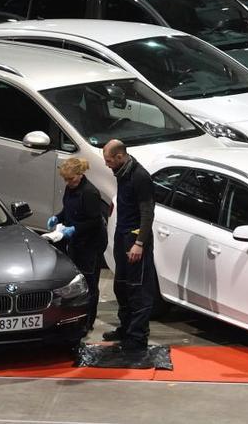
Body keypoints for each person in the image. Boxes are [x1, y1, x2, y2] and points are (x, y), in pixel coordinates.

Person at [101, 139, 156, 352]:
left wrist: (139, 243)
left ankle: (137, 337)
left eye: (108, 160)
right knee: (121, 286)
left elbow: (147, 212)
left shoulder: (139, 177)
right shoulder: (122, 173)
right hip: (122, 237)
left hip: (134, 241)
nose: (106, 165)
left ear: (120, 157)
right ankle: (126, 329)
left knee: (137, 289)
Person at [47, 157, 107, 331]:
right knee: (76, 281)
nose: (68, 182)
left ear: (80, 175)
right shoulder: (70, 188)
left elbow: (94, 221)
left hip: (91, 243)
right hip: (77, 242)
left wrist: (74, 229)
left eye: (71, 179)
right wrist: (58, 217)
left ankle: (88, 321)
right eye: (65, 179)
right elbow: (68, 210)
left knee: (89, 282)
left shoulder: (90, 193)